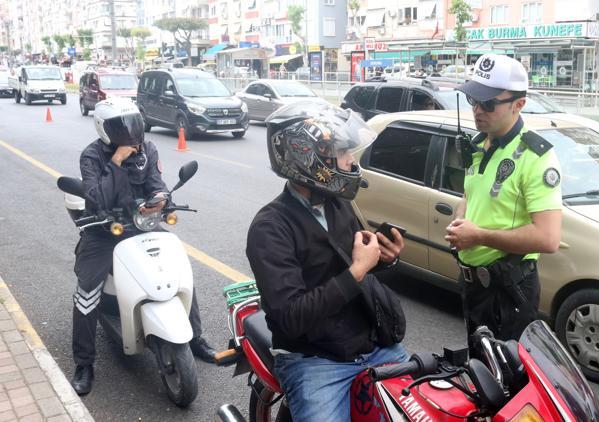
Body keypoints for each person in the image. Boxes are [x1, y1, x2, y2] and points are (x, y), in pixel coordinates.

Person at [246, 102, 408, 421]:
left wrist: (382, 258)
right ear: (309, 157)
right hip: (313, 359)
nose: (351, 161)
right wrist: (358, 270)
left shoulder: (335, 204)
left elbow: (355, 263)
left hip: (371, 344)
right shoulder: (270, 228)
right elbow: (291, 317)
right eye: (343, 153)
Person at [71, 98, 216, 395]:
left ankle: (196, 338)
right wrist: (116, 162)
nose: (130, 133)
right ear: (105, 129)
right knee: (87, 289)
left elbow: (155, 182)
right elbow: (97, 198)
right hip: (103, 231)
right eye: (121, 127)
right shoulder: (92, 156)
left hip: (140, 224)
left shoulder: (147, 148)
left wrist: (161, 199)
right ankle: (84, 363)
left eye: (133, 124)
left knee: (176, 270)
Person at [446, 54, 562, 343]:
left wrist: (479, 236)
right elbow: (470, 194)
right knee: (480, 371)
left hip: (509, 288)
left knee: (507, 380)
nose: (477, 110)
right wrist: (460, 220)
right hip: (475, 283)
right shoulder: (480, 144)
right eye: (473, 100)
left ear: (518, 104)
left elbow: (548, 238)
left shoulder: (535, 157)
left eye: (488, 103)